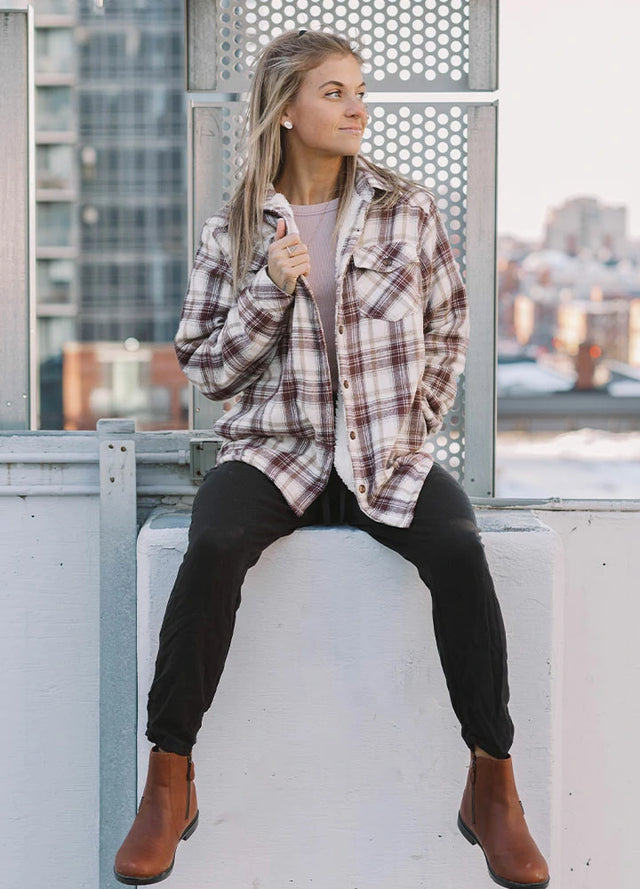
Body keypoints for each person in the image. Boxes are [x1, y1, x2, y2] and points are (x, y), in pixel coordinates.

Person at [114, 29, 549, 889]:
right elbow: (208, 370)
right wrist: (268, 289)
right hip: (276, 449)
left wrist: (416, 427)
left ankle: (492, 781)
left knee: (460, 551)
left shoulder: (405, 208)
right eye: (335, 92)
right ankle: (169, 777)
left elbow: (448, 323)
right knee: (212, 547)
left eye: (359, 90)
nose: (357, 108)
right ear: (285, 111)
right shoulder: (233, 230)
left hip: (386, 451)